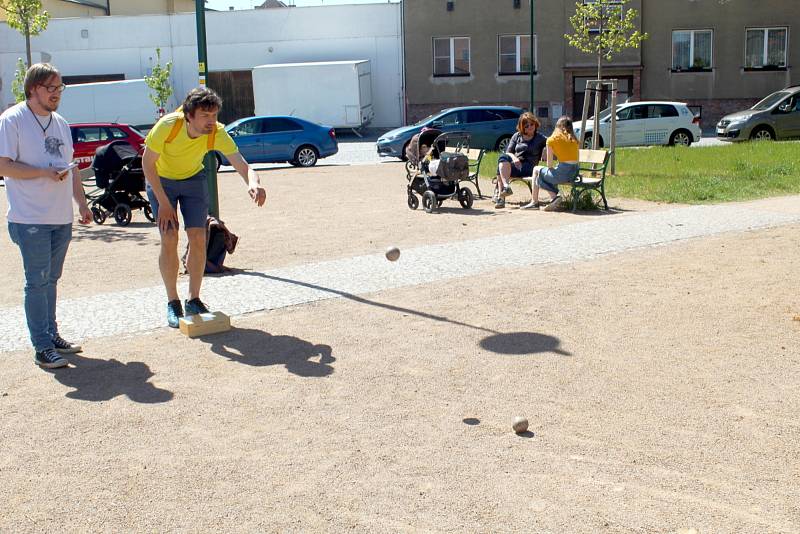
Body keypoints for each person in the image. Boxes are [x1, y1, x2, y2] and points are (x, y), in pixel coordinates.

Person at [143, 87, 266, 328]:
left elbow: (242, 164)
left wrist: (254, 183)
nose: (211, 121)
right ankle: (173, 302)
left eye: (214, 116)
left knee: (199, 237)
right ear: (189, 115)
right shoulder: (169, 126)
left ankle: (194, 299)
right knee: (169, 236)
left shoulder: (216, 133)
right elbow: (147, 163)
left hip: (193, 181)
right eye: (205, 116)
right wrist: (164, 204)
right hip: (161, 181)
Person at [0, 63, 92, 369]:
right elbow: (3, 165)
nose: (56, 94)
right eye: (49, 88)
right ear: (32, 89)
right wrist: (42, 172)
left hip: (59, 216)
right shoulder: (12, 120)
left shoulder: (61, 123)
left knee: (51, 280)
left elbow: (71, 167)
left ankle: (52, 336)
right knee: (36, 282)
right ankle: (41, 346)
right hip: (29, 218)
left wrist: (82, 203)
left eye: (59, 88)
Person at [524, 116, 580, 211]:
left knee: (536, 170)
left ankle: (535, 202)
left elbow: (549, 165)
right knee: (541, 175)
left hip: (563, 174)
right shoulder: (574, 139)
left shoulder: (552, 139)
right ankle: (554, 198)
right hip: (575, 173)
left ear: (557, 126)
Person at [495, 112, 546, 209]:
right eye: (526, 126)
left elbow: (551, 143)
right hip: (516, 165)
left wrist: (545, 150)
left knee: (500, 168)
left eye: (532, 124)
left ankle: (500, 197)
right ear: (522, 127)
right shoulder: (517, 136)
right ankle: (506, 187)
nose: (530, 127)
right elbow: (508, 152)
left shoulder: (540, 137)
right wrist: (514, 158)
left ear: (535, 124)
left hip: (529, 167)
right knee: (503, 158)